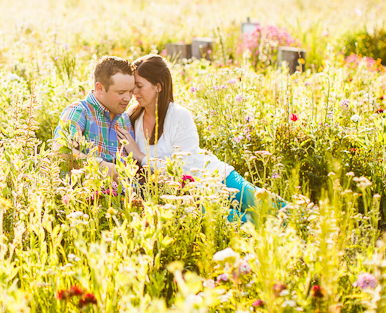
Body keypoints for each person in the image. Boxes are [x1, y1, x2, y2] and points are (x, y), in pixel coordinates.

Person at [117, 54, 285, 222]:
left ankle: (307, 224)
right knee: (244, 223)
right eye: (133, 86)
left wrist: (141, 156)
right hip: (193, 197)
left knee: (271, 207)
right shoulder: (132, 116)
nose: (134, 92)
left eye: (139, 86)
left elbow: (180, 169)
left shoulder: (178, 116)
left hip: (217, 178)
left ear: (158, 87)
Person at [53, 56, 136, 182]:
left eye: (131, 91)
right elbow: (60, 151)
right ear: (100, 88)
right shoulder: (80, 112)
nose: (128, 98)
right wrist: (101, 166)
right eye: (121, 92)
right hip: (85, 196)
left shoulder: (124, 118)